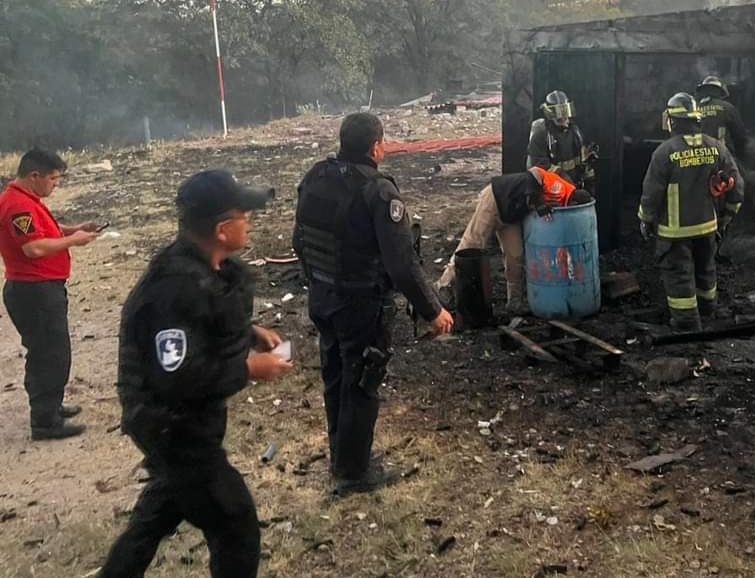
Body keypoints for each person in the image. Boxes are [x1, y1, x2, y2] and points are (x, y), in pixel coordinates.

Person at [100, 169, 292, 578]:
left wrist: (249, 333)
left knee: (163, 505)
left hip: (182, 421)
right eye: (245, 215)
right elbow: (178, 378)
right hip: (170, 424)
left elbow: (206, 324)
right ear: (223, 229)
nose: (250, 222)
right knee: (234, 522)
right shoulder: (175, 288)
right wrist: (248, 368)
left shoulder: (206, 268)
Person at [293, 113, 454, 497]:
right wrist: (434, 310)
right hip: (360, 302)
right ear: (375, 147)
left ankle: (342, 454)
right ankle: (352, 473)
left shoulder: (316, 176)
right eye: (383, 142)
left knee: (335, 375)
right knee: (363, 380)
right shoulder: (378, 193)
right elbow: (401, 263)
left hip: (323, 296)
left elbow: (299, 239)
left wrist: (317, 282)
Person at [0, 149, 98, 440]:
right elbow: (33, 248)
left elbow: (43, 231)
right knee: (49, 354)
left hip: (42, 287)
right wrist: (73, 241)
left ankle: (50, 407)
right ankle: (44, 421)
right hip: (34, 290)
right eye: (53, 179)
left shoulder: (28, 201)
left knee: (53, 350)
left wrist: (73, 229)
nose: (56, 185)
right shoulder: (18, 205)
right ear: (34, 176)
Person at [638, 93, 743, 333]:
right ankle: (707, 311)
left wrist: (645, 219)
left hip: (675, 232)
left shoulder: (665, 152)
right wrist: (728, 214)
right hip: (708, 226)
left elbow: (651, 193)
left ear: (672, 121)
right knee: (706, 268)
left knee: (679, 275)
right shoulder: (717, 147)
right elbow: (736, 183)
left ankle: (687, 322)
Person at [435, 167, 590, 313]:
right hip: (496, 199)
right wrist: (539, 203)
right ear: (574, 202)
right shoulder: (560, 188)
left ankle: (514, 302)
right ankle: (443, 284)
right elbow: (534, 173)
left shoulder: (564, 196)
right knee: (472, 244)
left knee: (515, 256)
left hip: (511, 214)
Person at [527, 90, 597, 191]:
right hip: (551, 191)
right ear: (549, 113)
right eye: (559, 112)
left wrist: (589, 183)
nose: (564, 117)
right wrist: (562, 176)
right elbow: (539, 166)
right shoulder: (541, 135)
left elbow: (584, 161)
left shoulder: (575, 132)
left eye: (566, 110)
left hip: (573, 188)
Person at [696, 75, 749, 158]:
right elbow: (740, 136)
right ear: (720, 91)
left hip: (698, 159)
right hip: (722, 158)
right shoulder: (728, 108)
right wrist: (740, 156)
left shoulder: (693, 109)